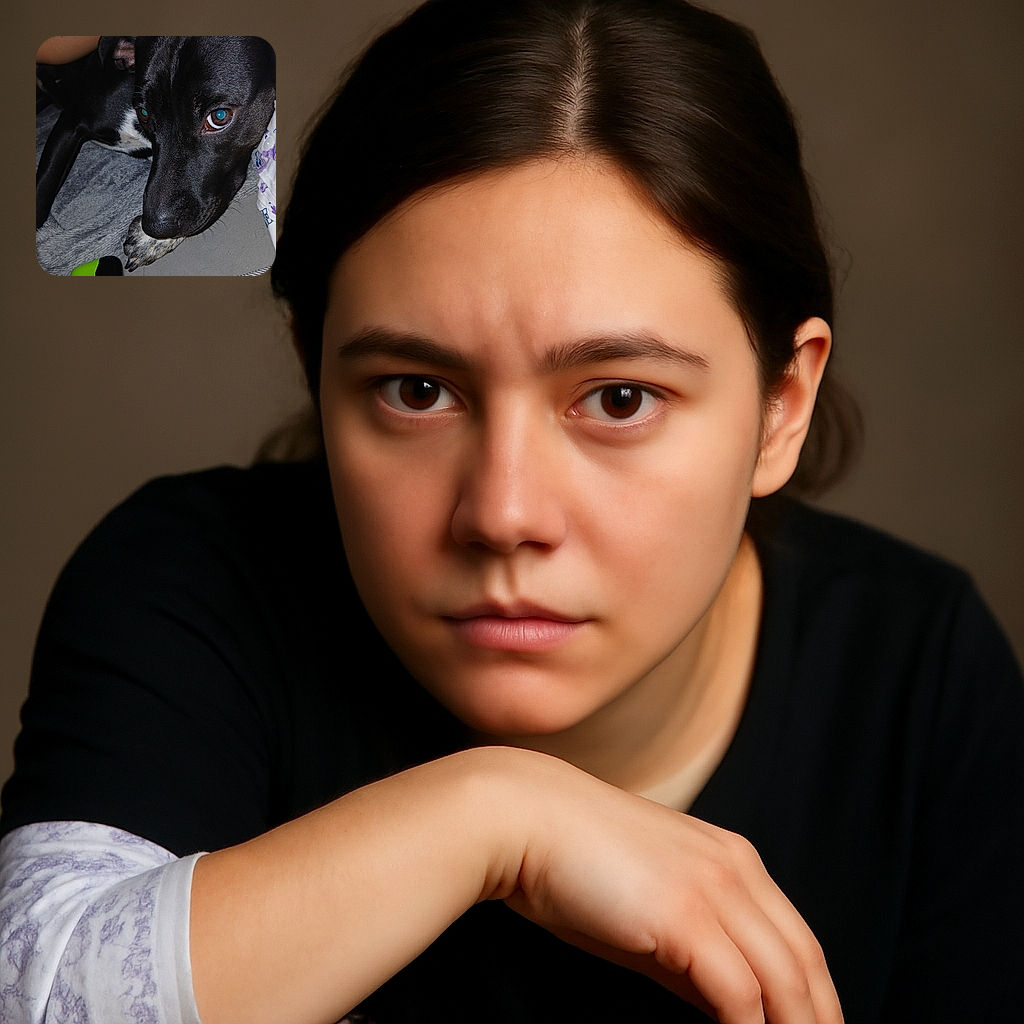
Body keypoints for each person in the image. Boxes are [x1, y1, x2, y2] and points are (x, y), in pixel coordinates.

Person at [2, 1, 1021, 1022]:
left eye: (619, 398)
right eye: (414, 390)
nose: (503, 512)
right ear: (319, 375)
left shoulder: (916, 679)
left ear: (778, 409)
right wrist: (498, 814)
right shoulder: (197, 582)